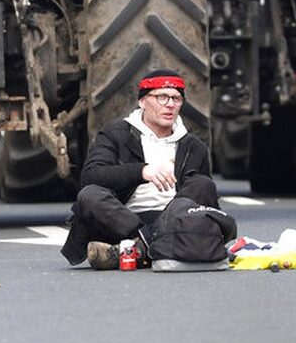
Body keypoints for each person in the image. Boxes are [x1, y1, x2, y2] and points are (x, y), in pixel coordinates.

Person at [61, 69, 220, 270]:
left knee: (203, 184)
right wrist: (142, 171)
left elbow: (203, 200)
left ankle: (138, 250)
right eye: (162, 97)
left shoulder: (193, 146)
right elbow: (91, 176)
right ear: (143, 102)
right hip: (123, 223)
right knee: (90, 195)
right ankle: (154, 245)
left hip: (175, 221)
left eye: (176, 99)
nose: (170, 105)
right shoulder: (115, 134)